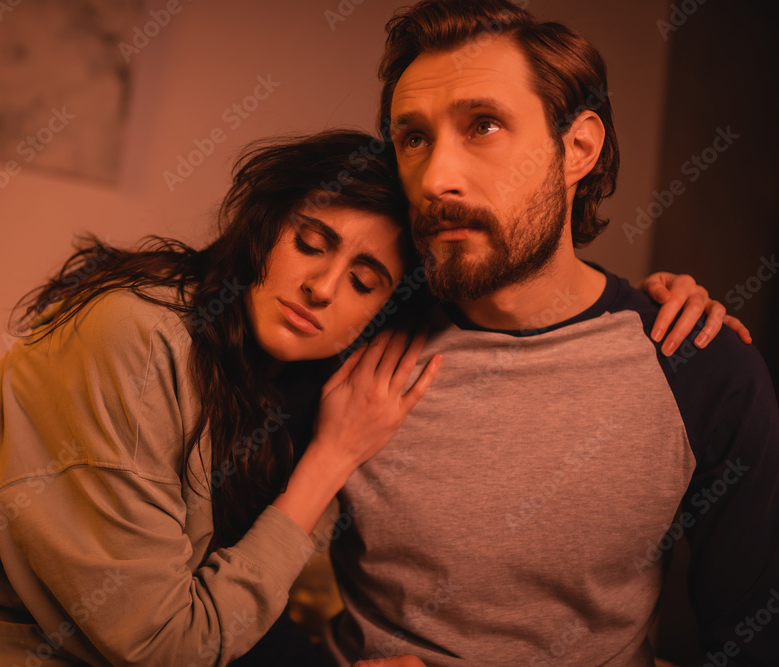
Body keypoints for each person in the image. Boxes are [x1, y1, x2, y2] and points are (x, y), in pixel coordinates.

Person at [0, 130, 742, 665]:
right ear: (266, 229)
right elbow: (163, 643)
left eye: (366, 279)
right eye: (313, 241)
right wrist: (331, 460)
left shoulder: (289, 379)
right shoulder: (136, 334)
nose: (324, 287)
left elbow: (514, 297)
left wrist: (634, 303)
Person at [329, 2, 779, 666]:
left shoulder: (701, 364)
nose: (435, 179)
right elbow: (198, 608)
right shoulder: (346, 334)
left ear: (578, 148)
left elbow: (751, 643)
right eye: (413, 137)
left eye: (483, 125)